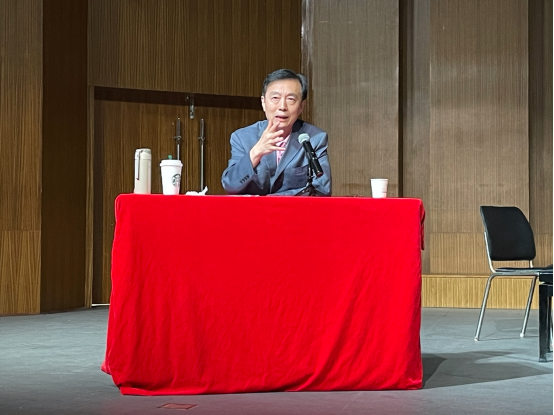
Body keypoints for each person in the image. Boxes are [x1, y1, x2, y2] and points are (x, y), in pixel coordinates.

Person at [221, 69, 331, 196]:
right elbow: (231, 185)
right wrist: (256, 152)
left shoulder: (315, 138)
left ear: (301, 106)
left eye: (290, 99)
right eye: (275, 98)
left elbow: (322, 190)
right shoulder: (242, 137)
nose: (282, 107)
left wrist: (268, 202)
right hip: (253, 210)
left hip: (291, 209)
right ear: (263, 102)